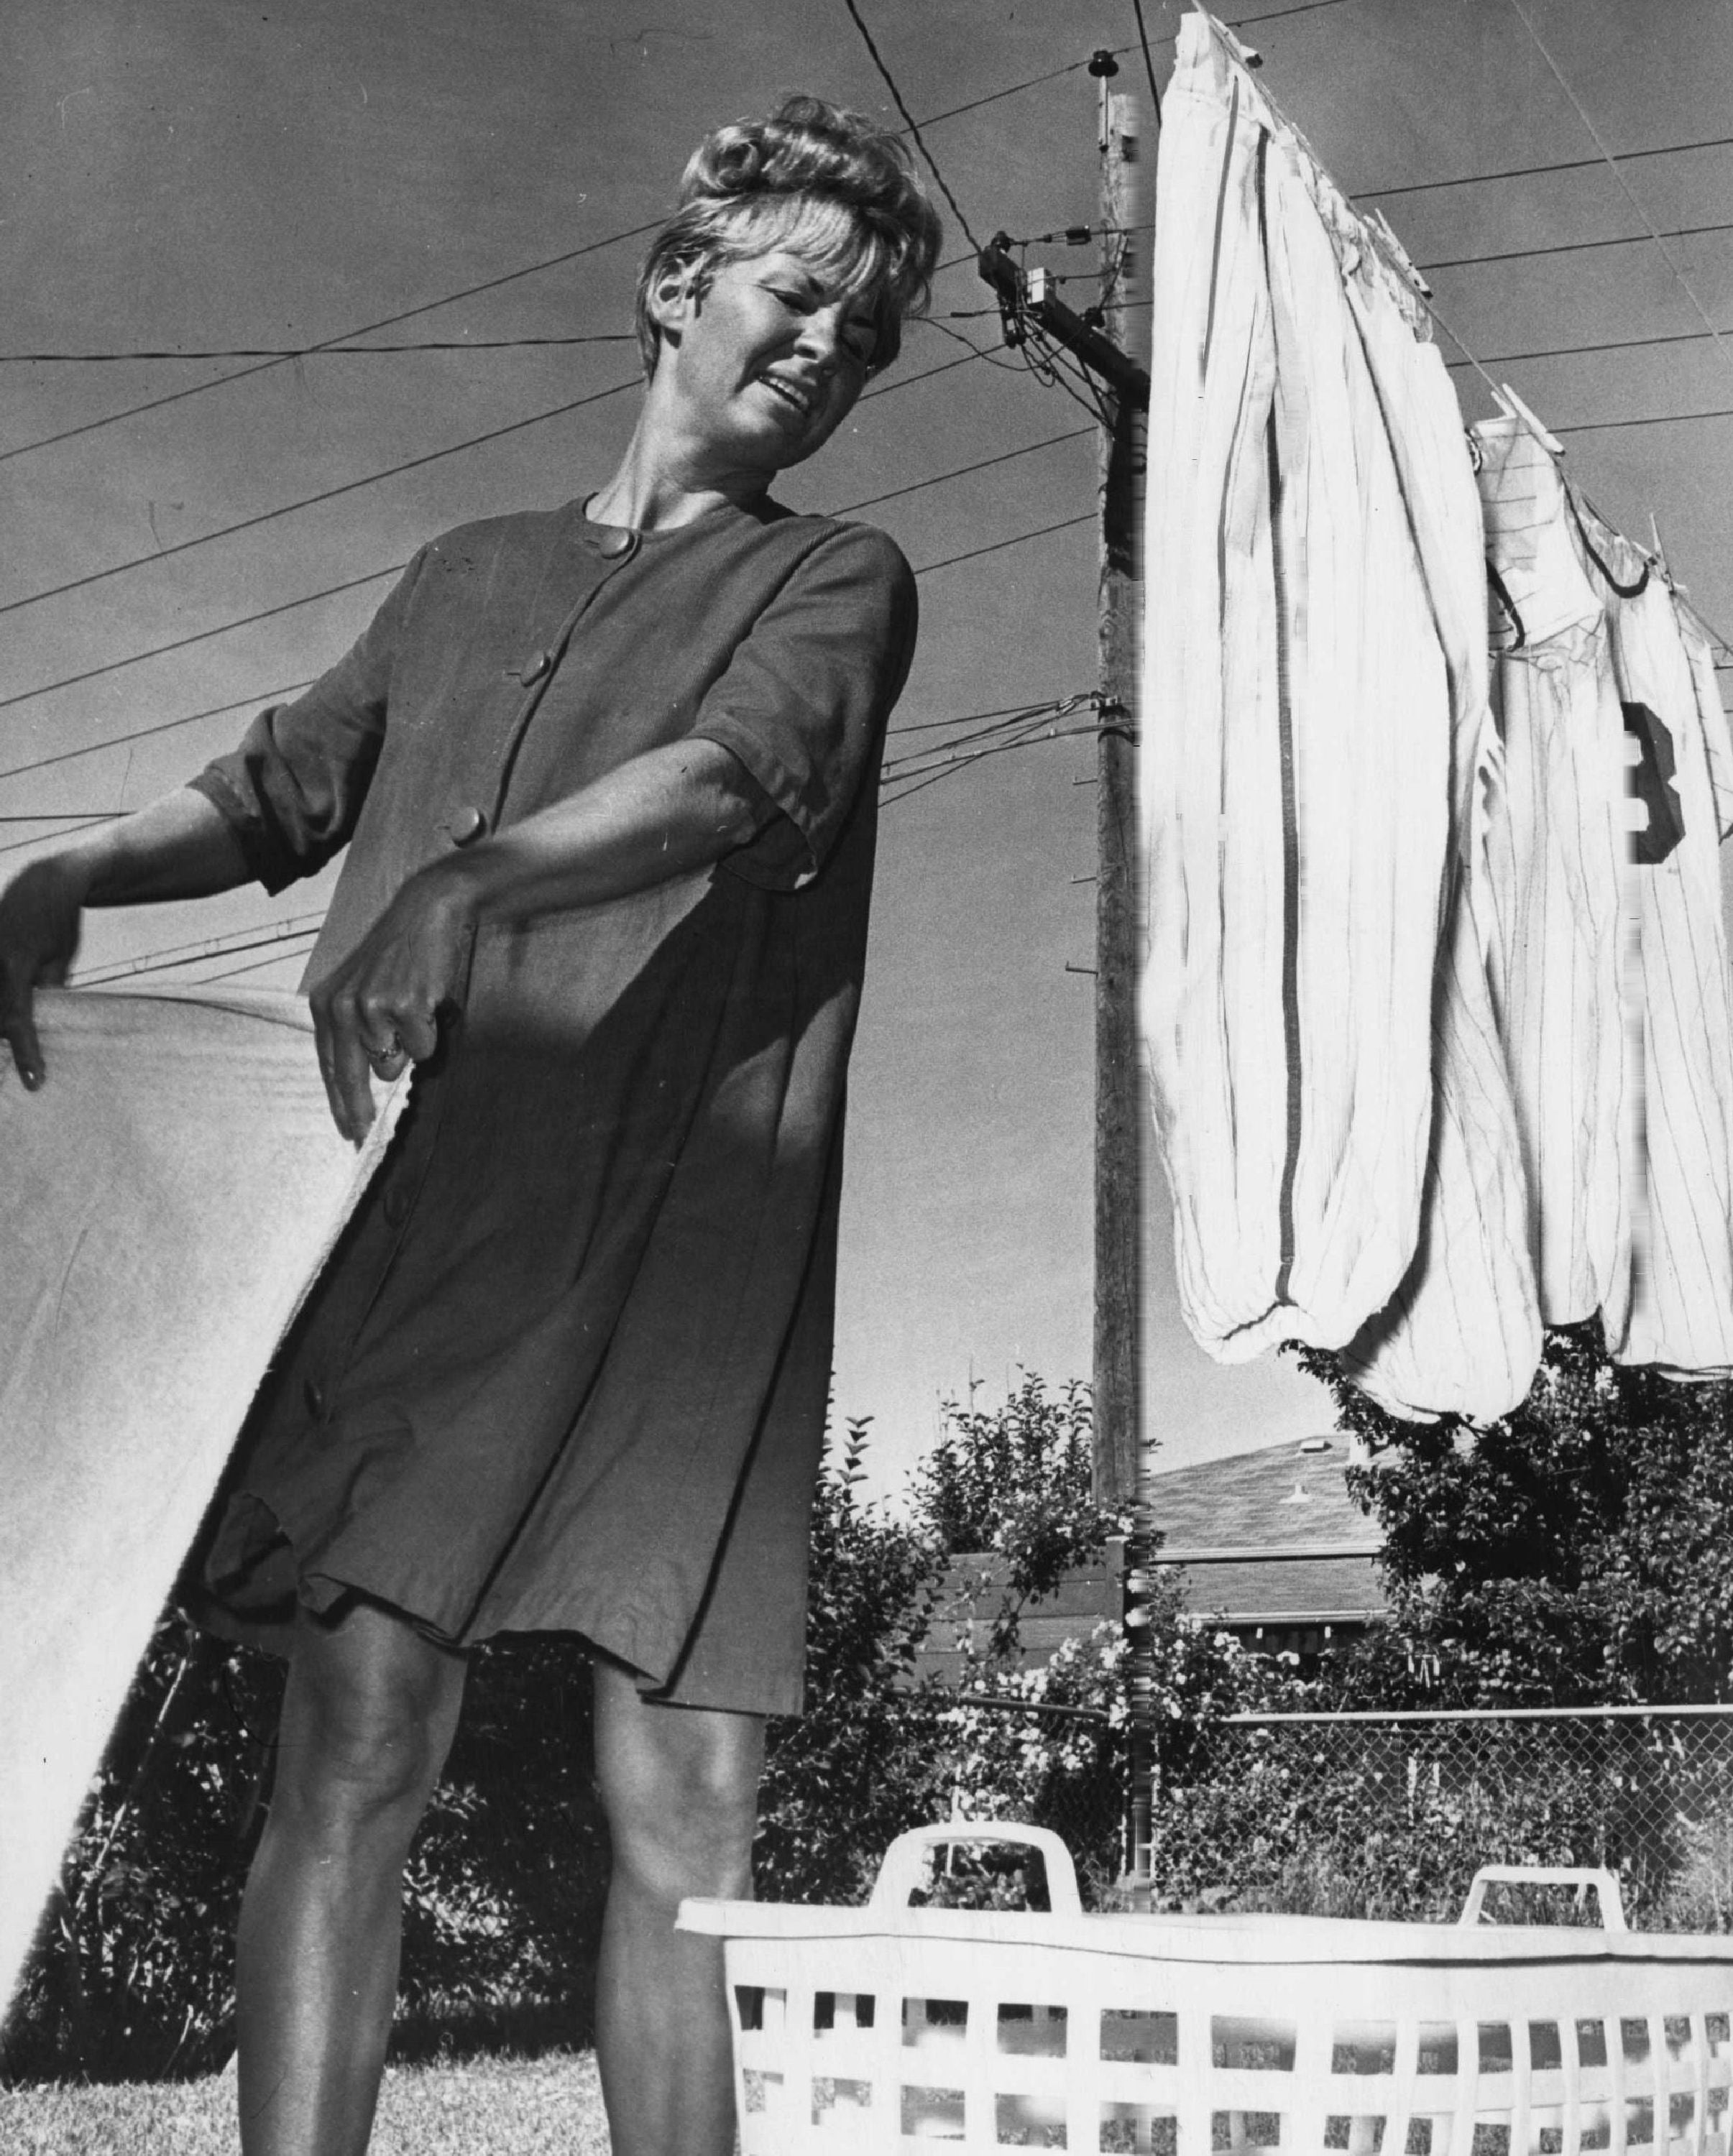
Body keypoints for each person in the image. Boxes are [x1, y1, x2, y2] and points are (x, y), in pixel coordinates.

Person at [0, 94, 941, 2156]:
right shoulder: (464, 575)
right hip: (423, 1224)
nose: (824, 349)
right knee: (351, 1742)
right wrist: (73, 874)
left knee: (685, 1804)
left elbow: (738, 779)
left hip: (696, 1252)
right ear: (676, 282)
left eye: (862, 337)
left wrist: (474, 878)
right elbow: (274, 794)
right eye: (796, 296)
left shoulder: (838, 581)